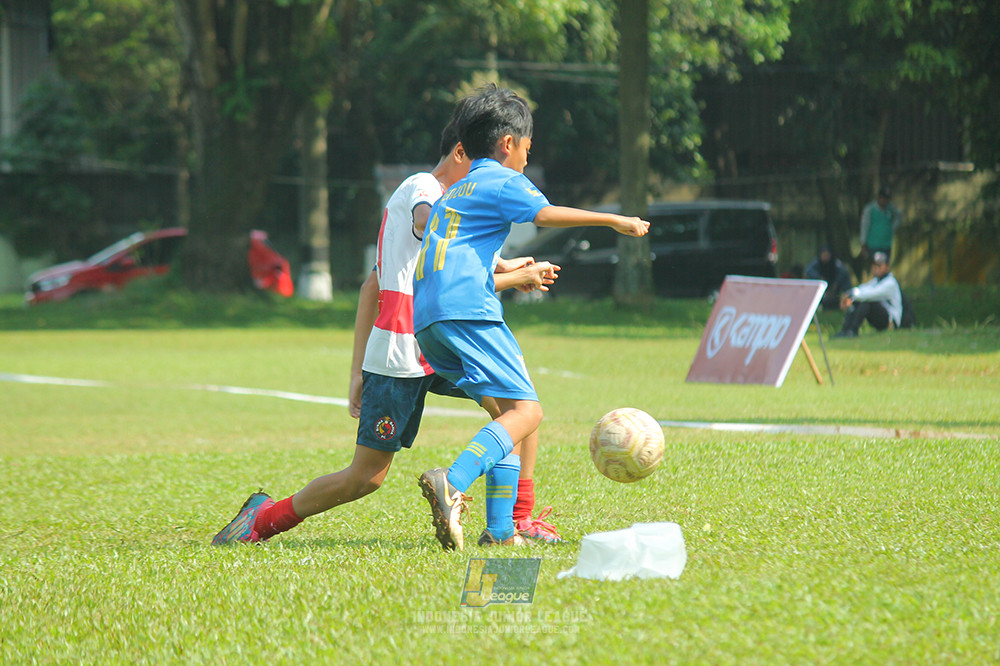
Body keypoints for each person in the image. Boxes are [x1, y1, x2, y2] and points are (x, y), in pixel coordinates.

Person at [211, 111, 562, 546]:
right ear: (460, 153)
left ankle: (510, 524)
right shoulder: (425, 189)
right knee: (365, 478)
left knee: (516, 409)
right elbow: (415, 234)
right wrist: (360, 370)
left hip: (438, 344)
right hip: (400, 349)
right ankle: (262, 520)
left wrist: (507, 268)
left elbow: (386, 286)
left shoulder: (457, 219)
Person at [413, 84, 649, 550]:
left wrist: (507, 271)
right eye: (526, 148)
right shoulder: (502, 179)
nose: (526, 158)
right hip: (468, 312)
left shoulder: (457, 189)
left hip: (428, 319)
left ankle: (500, 532)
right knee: (529, 412)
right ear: (507, 144)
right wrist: (613, 221)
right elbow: (543, 215)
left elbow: (454, 252)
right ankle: (453, 480)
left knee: (507, 416)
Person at [833, 252, 902, 338]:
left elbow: (871, 294)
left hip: (890, 321)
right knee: (858, 300)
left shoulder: (890, 283)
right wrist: (849, 294)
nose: (876, 268)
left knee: (866, 301)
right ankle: (846, 329)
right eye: (874, 265)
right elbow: (862, 288)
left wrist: (851, 295)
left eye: (879, 265)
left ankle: (853, 330)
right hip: (879, 317)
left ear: (887, 267)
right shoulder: (876, 281)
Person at [859, 185, 903, 262]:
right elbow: (864, 226)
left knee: (884, 268)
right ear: (879, 197)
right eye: (883, 198)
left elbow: (899, 215)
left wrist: (892, 229)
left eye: (887, 199)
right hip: (873, 245)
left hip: (886, 244)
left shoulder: (890, 208)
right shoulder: (869, 209)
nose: (885, 201)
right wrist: (863, 244)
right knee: (877, 268)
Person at [805, 245, 852, 309]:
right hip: (822, 285)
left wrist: (836, 283)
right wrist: (819, 278)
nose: (825, 256)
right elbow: (808, 271)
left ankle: (846, 300)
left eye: (827, 254)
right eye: (823, 254)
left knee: (845, 281)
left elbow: (843, 272)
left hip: (835, 284)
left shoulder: (835, 263)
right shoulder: (817, 262)